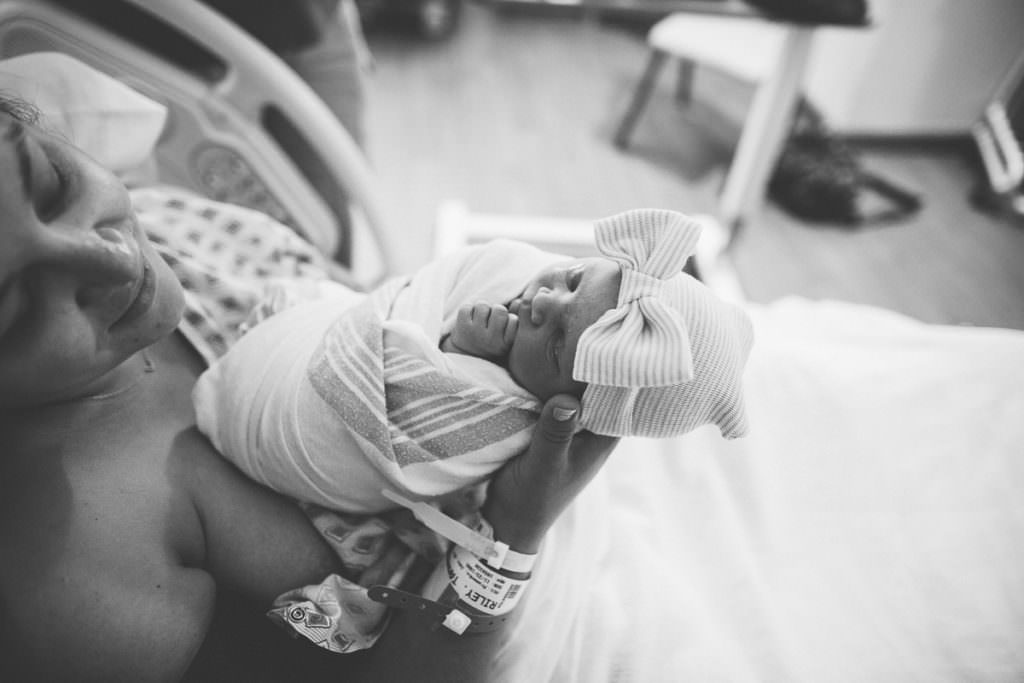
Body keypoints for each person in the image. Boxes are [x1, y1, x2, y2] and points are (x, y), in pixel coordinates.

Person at [0, 97, 618, 681]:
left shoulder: (170, 221)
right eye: (16, 302)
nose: (107, 259)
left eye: (51, 185)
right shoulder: (78, 577)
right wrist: (512, 529)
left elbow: (355, 306)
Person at [193, 209, 754, 522]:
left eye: (557, 343)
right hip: (303, 355)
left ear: (578, 411)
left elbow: (417, 404)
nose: (543, 302)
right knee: (327, 296)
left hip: (317, 419)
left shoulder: (512, 411)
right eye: (574, 280)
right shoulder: (519, 279)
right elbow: (429, 288)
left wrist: (463, 350)